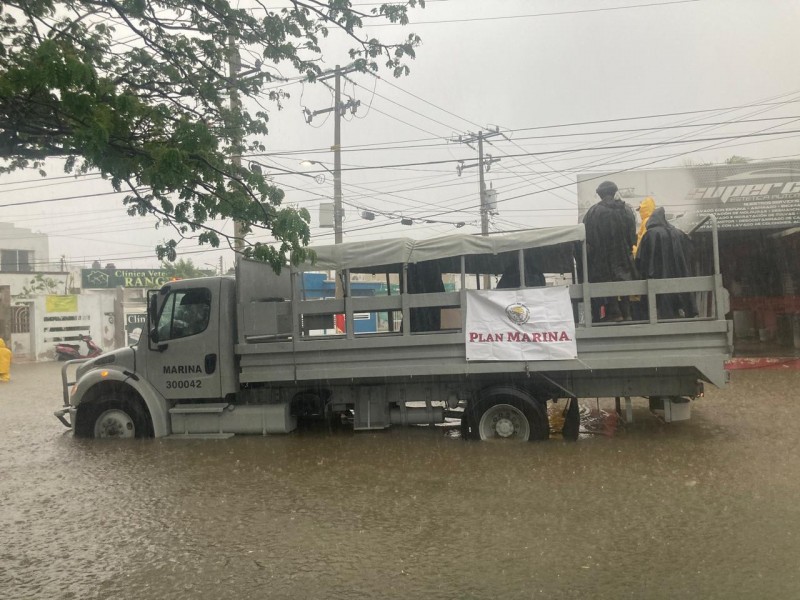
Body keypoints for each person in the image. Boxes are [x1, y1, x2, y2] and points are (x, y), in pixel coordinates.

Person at [582, 180, 637, 322]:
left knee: (606, 280)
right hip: (624, 255)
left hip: (602, 257)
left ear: (600, 194)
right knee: (623, 279)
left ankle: (614, 312)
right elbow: (633, 237)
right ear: (614, 192)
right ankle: (627, 313)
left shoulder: (594, 212)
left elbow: (588, 238)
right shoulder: (627, 210)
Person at [635, 206, 698, 320]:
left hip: (657, 279)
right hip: (679, 278)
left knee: (660, 304)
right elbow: (690, 253)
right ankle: (681, 311)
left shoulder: (650, 234)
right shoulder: (679, 233)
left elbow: (641, 259)